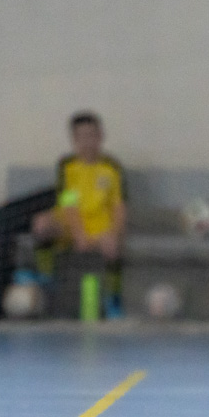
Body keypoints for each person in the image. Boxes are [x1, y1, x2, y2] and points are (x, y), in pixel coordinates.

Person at [31, 112, 127, 318]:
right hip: (70, 222)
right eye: (82, 137)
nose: (88, 142)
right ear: (74, 140)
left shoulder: (112, 167)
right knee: (41, 224)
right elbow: (68, 203)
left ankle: (113, 298)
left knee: (112, 246)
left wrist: (115, 234)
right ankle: (45, 278)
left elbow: (119, 206)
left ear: (101, 136)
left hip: (100, 225)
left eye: (92, 135)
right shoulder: (67, 165)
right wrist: (79, 235)